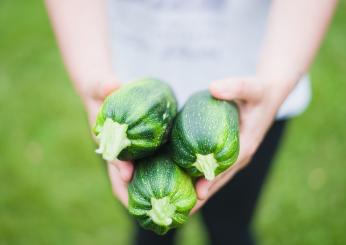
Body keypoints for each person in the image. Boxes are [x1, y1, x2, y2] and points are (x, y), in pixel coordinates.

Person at [45, 0, 337, 244]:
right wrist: (90, 75)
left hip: (256, 87)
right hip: (126, 86)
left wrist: (276, 84)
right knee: (150, 231)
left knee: (231, 225)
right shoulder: (117, 119)